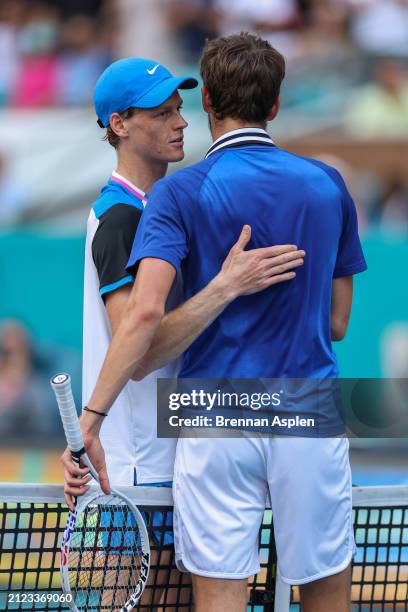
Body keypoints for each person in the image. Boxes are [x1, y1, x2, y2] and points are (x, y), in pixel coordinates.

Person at [74, 32, 367, 611]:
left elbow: (147, 318)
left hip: (211, 412)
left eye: (181, 107)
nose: (178, 119)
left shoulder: (176, 193)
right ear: (277, 104)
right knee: (328, 593)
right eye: (162, 111)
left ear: (206, 100)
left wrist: (90, 419)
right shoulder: (329, 183)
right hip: (305, 405)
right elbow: (337, 323)